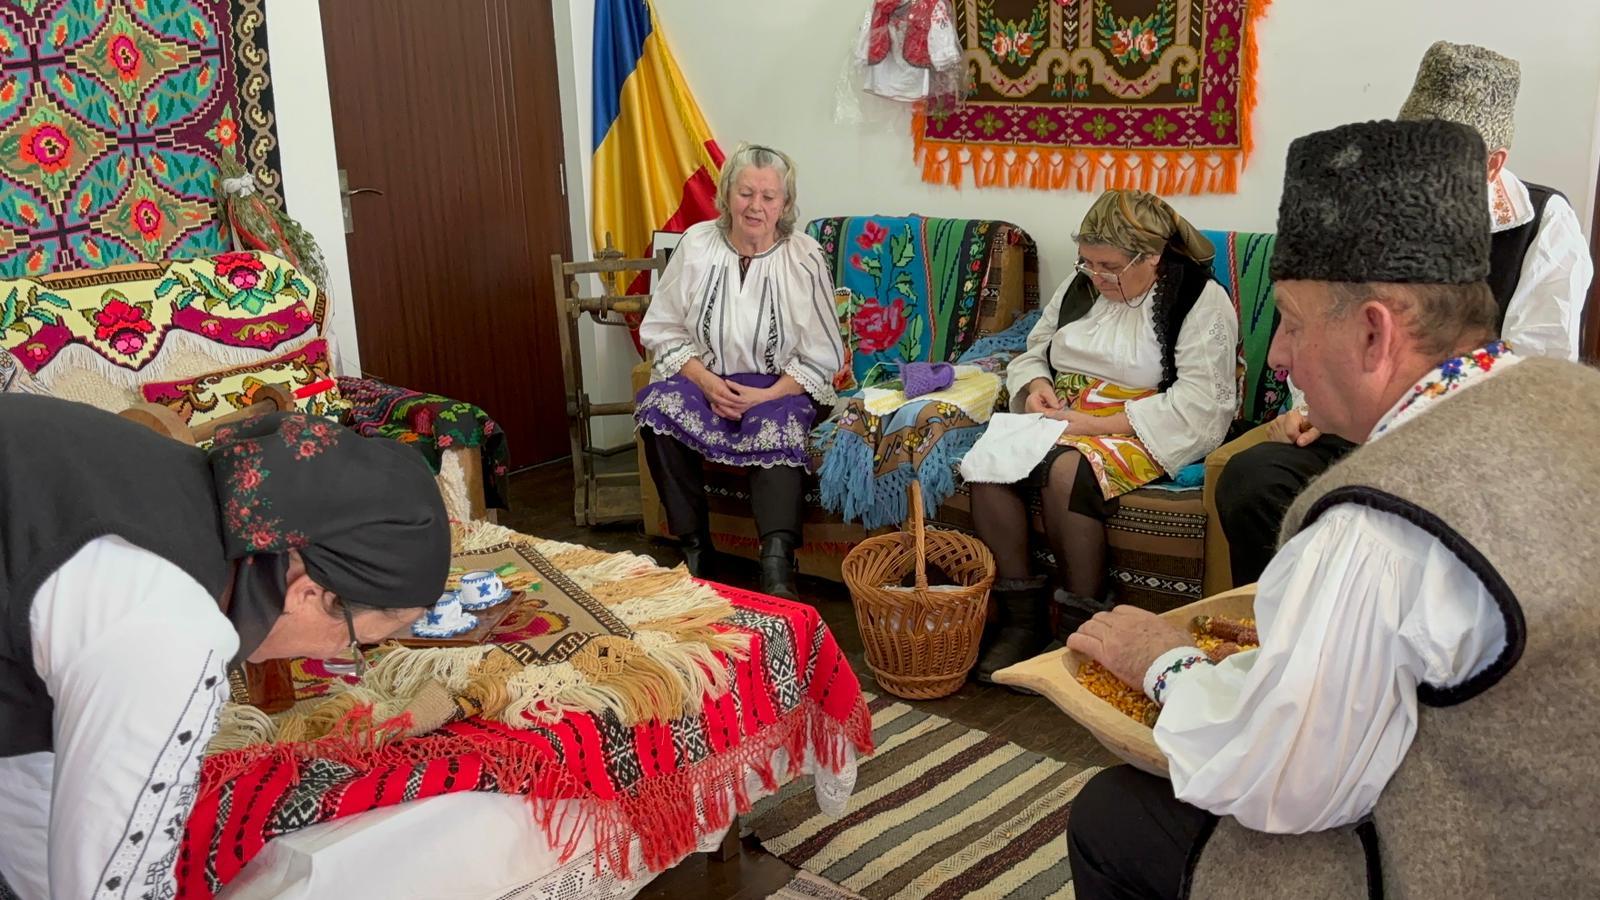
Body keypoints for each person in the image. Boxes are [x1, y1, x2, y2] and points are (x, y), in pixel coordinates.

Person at [1065, 118, 1599, 899]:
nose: (1279, 355)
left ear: (1375, 333)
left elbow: (1289, 784)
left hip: (1492, 870)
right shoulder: (1573, 402)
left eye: (1290, 320)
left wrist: (1164, 662)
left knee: (1113, 813)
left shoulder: (1381, 528)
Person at [0, 396, 450, 899]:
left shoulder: (173, 493)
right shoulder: (169, 626)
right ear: (308, 593)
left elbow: (28, 768)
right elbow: (114, 885)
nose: (335, 657)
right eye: (356, 641)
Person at [1215, 40, 1594, 587]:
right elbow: (1325, 319)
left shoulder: (1544, 222)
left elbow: (1534, 369)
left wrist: (1411, 420)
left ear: (1492, 165)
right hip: (1361, 422)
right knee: (1255, 480)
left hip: (1467, 440)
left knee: (1408, 517)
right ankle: (1263, 622)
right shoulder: (1369, 202)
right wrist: (1311, 406)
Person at [962, 189, 1237, 680]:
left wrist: (1096, 426)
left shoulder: (1197, 297)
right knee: (990, 464)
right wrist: (1037, 387)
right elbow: (1035, 349)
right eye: (1086, 262)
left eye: (1108, 266)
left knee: (1068, 470)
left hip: (1142, 422)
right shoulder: (1081, 284)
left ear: (1151, 256)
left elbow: (1203, 402)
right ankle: (1022, 623)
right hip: (1065, 411)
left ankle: (1080, 624)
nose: (1095, 275)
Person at [635, 143, 845, 601]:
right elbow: (664, 330)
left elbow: (821, 354)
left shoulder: (804, 256)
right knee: (657, 409)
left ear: (785, 204)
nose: (756, 206)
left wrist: (765, 396)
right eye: (746, 193)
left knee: (778, 422)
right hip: (707, 379)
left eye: (769, 197)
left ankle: (777, 565)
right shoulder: (696, 244)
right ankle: (695, 550)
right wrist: (707, 383)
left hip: (780, 386)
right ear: (727, 194)